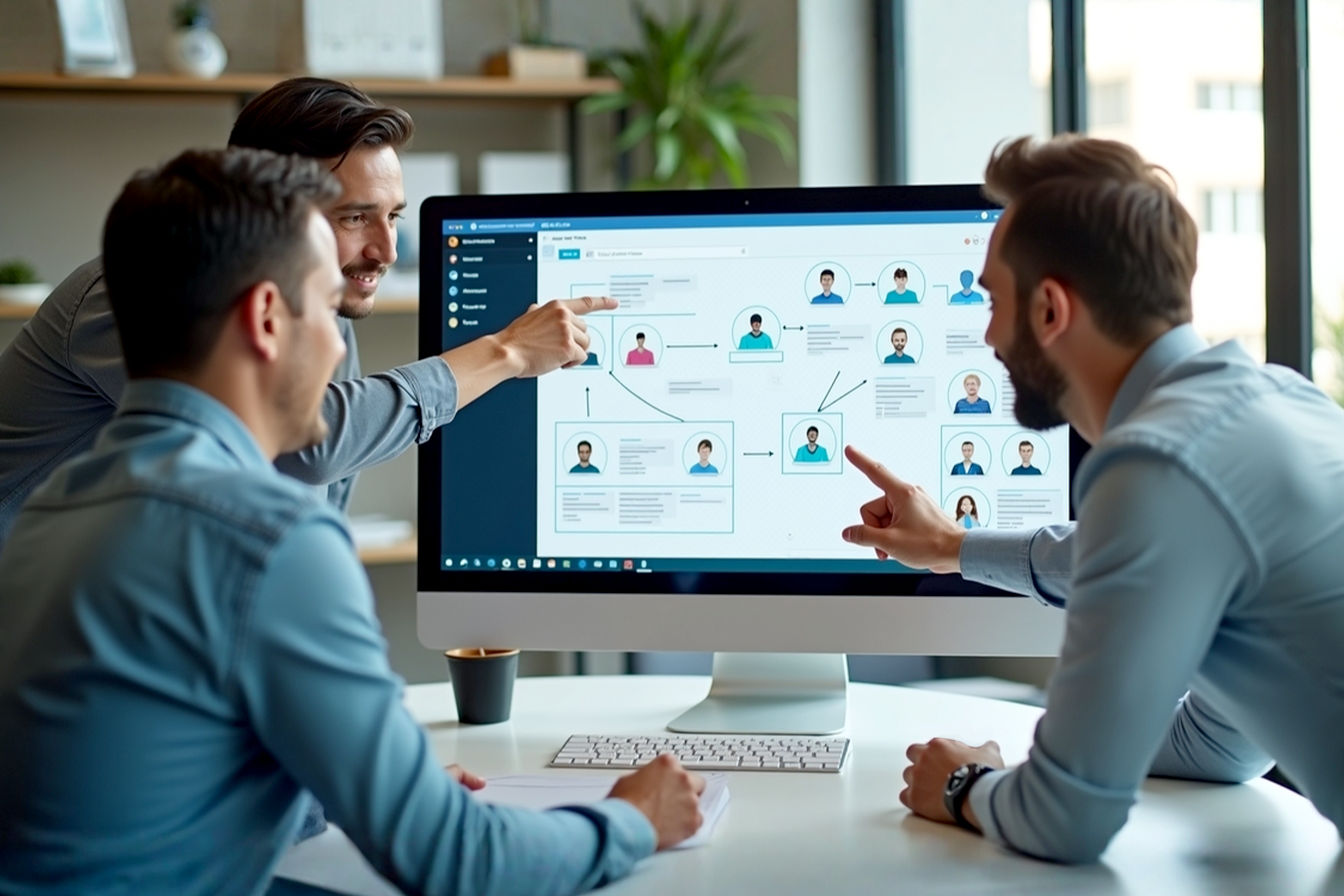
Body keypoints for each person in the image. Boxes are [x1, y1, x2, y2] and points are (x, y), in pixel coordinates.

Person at [0, 149, 704, 895]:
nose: (340, 346)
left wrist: (359, 769)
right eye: (325, 304)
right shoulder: (269, 539)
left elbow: (156, 770)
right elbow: (456, 861)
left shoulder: (50, 513)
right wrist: (633, 819)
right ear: (268, 318)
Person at [841, 134, 1344, 864]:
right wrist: (954, 548)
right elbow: (1223, 743)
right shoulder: (1282, 404)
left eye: (991, 300)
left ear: (1049, 310)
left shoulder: (1156, 466)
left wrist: (965, 785)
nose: (985, 334)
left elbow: (1065, 822)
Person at [0, 76, 614, 546]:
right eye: (354, 218)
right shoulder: (138, 292)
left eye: (393, 216)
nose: (386, 251)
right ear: (267, 213)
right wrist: (502, 353)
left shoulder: (323, 312)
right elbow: (302, 443)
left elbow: (312, 498)